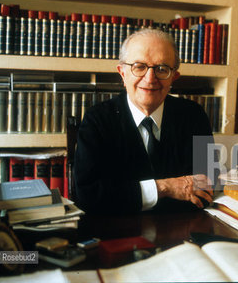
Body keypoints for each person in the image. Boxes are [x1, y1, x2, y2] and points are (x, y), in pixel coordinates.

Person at [74, 28, 215, 214]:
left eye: (162, 69)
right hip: (117, 235)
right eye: (139, 67)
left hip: (182, 230)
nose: (150, 79)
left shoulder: (194, 116)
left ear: (174, 77)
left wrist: (125, 194)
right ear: (122, 73)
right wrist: (165, 188)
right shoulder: (97, 120)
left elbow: (206, 187)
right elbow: (88, 196)